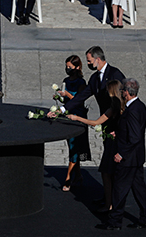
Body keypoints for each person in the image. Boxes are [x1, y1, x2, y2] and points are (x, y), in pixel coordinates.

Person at [53, 46, 125, 208]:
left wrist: (119, 127)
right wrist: (62, 109)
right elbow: (82, 97)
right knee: (108, 163)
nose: (88, 63)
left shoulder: (115, 74)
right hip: (106, 123)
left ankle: (113, 200)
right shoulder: (94, 79)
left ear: (97, 59)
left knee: (112, 164)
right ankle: (108, 197)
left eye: (89, 60)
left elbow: (123, 102)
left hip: (116, 126)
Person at [101, 78, 146, 231]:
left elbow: (135, 137)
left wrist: (121, 153)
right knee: (139, 189)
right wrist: (119, 133)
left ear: (127, 93)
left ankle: (115, 221)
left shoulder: (132, 111)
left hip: (128, 159)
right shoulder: (140, 106)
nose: (121, 92)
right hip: (137, 157)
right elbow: (133, 131)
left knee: (119, 189)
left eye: (123, 90)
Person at [67, 79, 124, 211]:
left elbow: (96, 122)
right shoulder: (122, 107)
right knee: (112, 174)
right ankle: (111, 202)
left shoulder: (114, 108)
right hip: (116, 142)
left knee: (106, 172)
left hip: (113, 143)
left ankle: (109, 203)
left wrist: (77, 118)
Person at [57, 55, 89, 192]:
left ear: (77, 67)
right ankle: (79, 175)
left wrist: (67, 95)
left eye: (70, 67)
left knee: (75, 145)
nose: (68, 69)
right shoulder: (66, 80)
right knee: (72, 146)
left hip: (78, 116)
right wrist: (59, 96)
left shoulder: (81, 82)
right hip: (68, 116)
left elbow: (79, 99)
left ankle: (68, 178)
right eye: (66, 66)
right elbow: (66, 102)